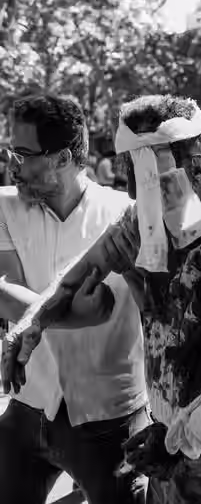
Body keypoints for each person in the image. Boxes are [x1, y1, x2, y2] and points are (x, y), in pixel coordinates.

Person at [2, 95, 201, 504]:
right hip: (166, 453)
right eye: (128, 175)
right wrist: (33, 322)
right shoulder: (146, 217)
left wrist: (187, 436)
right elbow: (80, 273)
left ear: (197, 169)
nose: (131, 192)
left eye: (146, 181)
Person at [0, 94, 149, 504]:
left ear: (62, 157)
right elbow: (6, 296)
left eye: (23, 154)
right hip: (27, 405)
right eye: (10, 151)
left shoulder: (125, 216)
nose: (12, 163)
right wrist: (79, 315)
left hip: (110, 419)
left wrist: (46, 313)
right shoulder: (4, 207)